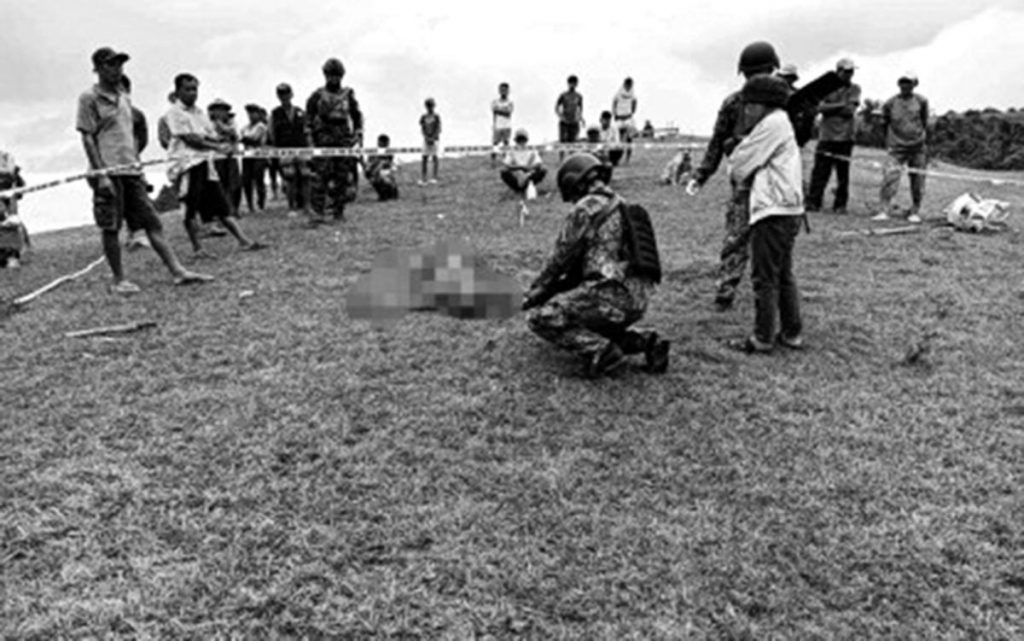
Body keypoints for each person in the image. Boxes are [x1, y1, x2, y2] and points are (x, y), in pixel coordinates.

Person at [522, 153, 669, 378]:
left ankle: (604, 353)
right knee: (593, 322)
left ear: (574, 183)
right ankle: (648, 342)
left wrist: (534, 292)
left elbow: (559, 261)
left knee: (541, 317)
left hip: (609, 295)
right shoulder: (623, 205)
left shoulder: (586, 208)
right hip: (638, 299)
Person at [76, 48, 211, 294]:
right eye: (111, 65)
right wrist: (101, 174)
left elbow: (132, 135)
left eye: (120, 64)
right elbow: (87, 138)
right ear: (97, 68)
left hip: (131, 171)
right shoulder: (89, 98)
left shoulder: (124, 97)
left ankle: (178, 271)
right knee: (111, 227)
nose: (117, 69)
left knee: (152, 221)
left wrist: (136, 164)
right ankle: (119, 280)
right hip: (108, 172)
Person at [686, 40, 781, 311]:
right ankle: (726, 291)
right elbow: (718, 142)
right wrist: (702, 174)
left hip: (772, 181)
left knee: (766, 240)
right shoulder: (734, 104)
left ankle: (768, 294)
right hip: (746, 181)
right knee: (738, 237)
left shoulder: (780, 103)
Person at [725, 75, 804, 353]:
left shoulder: (772, 124)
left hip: (773, 209)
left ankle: (763, 338)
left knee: (764, 278)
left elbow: (739, 165)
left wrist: (735, 152)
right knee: (783, 274)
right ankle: (792, 333)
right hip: (788, 209)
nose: (746, 111)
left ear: (763, 104)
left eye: (750, 105)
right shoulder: (780, 122)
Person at [165, 72, 265, 256]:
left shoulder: (199, 113)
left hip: (205, 162)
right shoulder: (174, 112)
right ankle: (197, 248)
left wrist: (223, 142)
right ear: (178, 91)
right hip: (187, 164)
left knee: (221, 204)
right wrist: (218, 147)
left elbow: (210, 134)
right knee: (190, 208)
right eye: (188, 89)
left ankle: (244, 241)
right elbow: (191, 139)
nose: (192, 93)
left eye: (195, 89)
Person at [306, 57, 363, 224]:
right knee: (320, 177)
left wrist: (357, 133)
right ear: (325, 76)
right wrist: (310, 141)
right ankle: (318, 212)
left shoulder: (347, 95)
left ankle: (338, 211)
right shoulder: (317, 95)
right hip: (323, 137)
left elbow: (356, 115)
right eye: (330, 75)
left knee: (342, 177)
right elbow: (308, 119)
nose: (334, 79)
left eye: (336, 75)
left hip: (343, 138)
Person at [872, 72, 929, 223]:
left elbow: (924, 121)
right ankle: (884, 210)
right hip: (896, 148)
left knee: (918, 180)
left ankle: (915, 210)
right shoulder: (890, 103)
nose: (905, 85)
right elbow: (885, 123)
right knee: (889, 179)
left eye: (908, 82)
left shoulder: (921, 101)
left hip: (917, 148)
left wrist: (920, 138)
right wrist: (890, 142)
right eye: (902, 82)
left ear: (914, 84)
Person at [806, 58, 861, 215]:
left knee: (843, 174)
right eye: (846, 71)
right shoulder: (825, 87)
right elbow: (819, 108)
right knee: (819, 172)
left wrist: (830, 108)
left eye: (851, 71)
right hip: (826, 136)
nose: (849, 75)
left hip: (846, 138)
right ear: (838, 71)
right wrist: (841, 105)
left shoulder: (855, 88)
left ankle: (840, 205)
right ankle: (813, 202)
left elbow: (850, 111)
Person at [120, 74, 153, 252]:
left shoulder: (137, 114)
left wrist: (133, 153)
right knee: (120, 199)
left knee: (137, 195)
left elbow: (143, 138)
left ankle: (141, 231)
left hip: (132, 161)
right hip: (113, 163)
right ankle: (130, 230)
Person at [269, 82, 311, 218]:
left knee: (305, 177)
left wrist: (310, 148)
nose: (284, 96)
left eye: (286, 93)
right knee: (290, 178)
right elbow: (272, 134)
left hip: (301, 148)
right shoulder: (275, 114)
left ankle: (307, 206)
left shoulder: (300, 112)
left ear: (291, 94)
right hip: (285, 150)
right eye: (281, 94)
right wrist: (275, 152)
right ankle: (291, 207)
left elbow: (307, 131)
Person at [207, 99, 242, 215]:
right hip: (216, 157)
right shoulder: (208, 124)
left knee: (234, 184)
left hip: (231, 155)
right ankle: (222, 211)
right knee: (220, 185)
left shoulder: (232, 122)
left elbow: (235, 135)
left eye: (223, 109)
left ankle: (234, 209)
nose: (220, 112)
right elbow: (209, 138)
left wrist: (222, 127)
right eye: (217, 109)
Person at [0, 148, 28, 268]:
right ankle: (11, 255)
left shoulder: (7, 159)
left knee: (10, 223)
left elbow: (19, 188)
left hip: (8, 200)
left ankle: (12, 255)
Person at [240, 103, 269, 213]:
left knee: (259, 180)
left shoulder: (261, 126)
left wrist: (243, 138)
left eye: (253, 113)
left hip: (259, 155)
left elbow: (254, 139)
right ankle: (250, 205)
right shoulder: (246, 127)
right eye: (249, 113)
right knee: (246, 180)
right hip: (247, 156)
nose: (251, 116)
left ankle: (260, 204)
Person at [500, 128, 546, 196]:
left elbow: (538, 163)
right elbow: (507, 165)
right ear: (516, 141)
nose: (521, 142)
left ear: (526, 140)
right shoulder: (511, 151)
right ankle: (517, 188)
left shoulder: (532, 150)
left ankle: (528, 186)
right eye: (519, 140)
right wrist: (520, 167)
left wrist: (529, 168)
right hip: (516, 175)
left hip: (529, 175)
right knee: (503, 171)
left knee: (543, 169)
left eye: (523, 140)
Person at [555, 75, 584, 160]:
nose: (572, 85)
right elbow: (556, 107)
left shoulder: (579, 96)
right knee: (562, 140)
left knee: (573, 141)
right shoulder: (563, 95)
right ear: (568, 84)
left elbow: (580, 109)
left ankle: (572, 159)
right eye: (571, 83)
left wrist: (580, 118)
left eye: (574, 83)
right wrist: (560, 116)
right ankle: (561, 158)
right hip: (564, 121)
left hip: (574, 122)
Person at [364, 134, 399, 201]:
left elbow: (390, 165)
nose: (386, 145)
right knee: (376, 178)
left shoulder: (389, 153)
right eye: (384, 143)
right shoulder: (373, 153)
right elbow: (368, 167)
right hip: (376, 174)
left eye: (386, 144)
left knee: (386, 177)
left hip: (385, 174)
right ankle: (383, 194)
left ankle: (391, 192)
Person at [611, 77, 637, 164]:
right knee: (618, 139)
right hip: (619, 118)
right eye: (627, 84)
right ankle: (617, 158)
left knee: (629, 139)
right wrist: (614, 113)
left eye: (630, 85)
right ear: (624, 84)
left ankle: (627, 159)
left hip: (628, 118)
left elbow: (634, 104)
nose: (628, 86)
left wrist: (631, 112)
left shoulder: (633, 94)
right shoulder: (618, 93)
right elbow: (614, 103)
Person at [491, 82, 514, 167]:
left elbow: (508, 113)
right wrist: (494, 124)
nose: (503, 92)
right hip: (497, 125)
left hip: (507, 126)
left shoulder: (510, 102)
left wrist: (499, 110)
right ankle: (493, 161)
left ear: (508, 91)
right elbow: (494, 112)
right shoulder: (495, 101)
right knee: (495, 144)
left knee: (506, 143)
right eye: (502, 90)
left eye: (505, 90)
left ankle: (505, 161)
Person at [419, 97, 441, 185]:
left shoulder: (436, 116)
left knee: (435, 157)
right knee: (424, 158)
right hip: (426, 139)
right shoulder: (423, 117)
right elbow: (422, 128)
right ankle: (424, 178)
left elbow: (438, 128)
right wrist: (426, 137)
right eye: (428, 106)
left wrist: (433, 137)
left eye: (431, 106)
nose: (430, 108)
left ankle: (434, 177)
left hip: (435, 139)